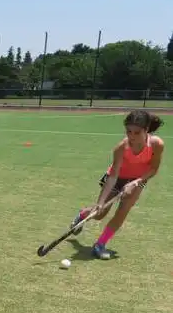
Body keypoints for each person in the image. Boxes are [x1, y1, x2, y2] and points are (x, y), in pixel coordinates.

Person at [69, 110, 164, 260]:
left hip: (138, 180)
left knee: (122, 212)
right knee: (100, 213)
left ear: (146, 130)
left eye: (137, 132)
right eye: (129, 132)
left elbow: (153, 169)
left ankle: (100, 244)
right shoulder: (121, 147)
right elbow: (113, 176)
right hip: (116, 178)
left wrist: (136, 182)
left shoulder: (156, 145)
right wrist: (101, 203)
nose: (131, 136)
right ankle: (83, 214)